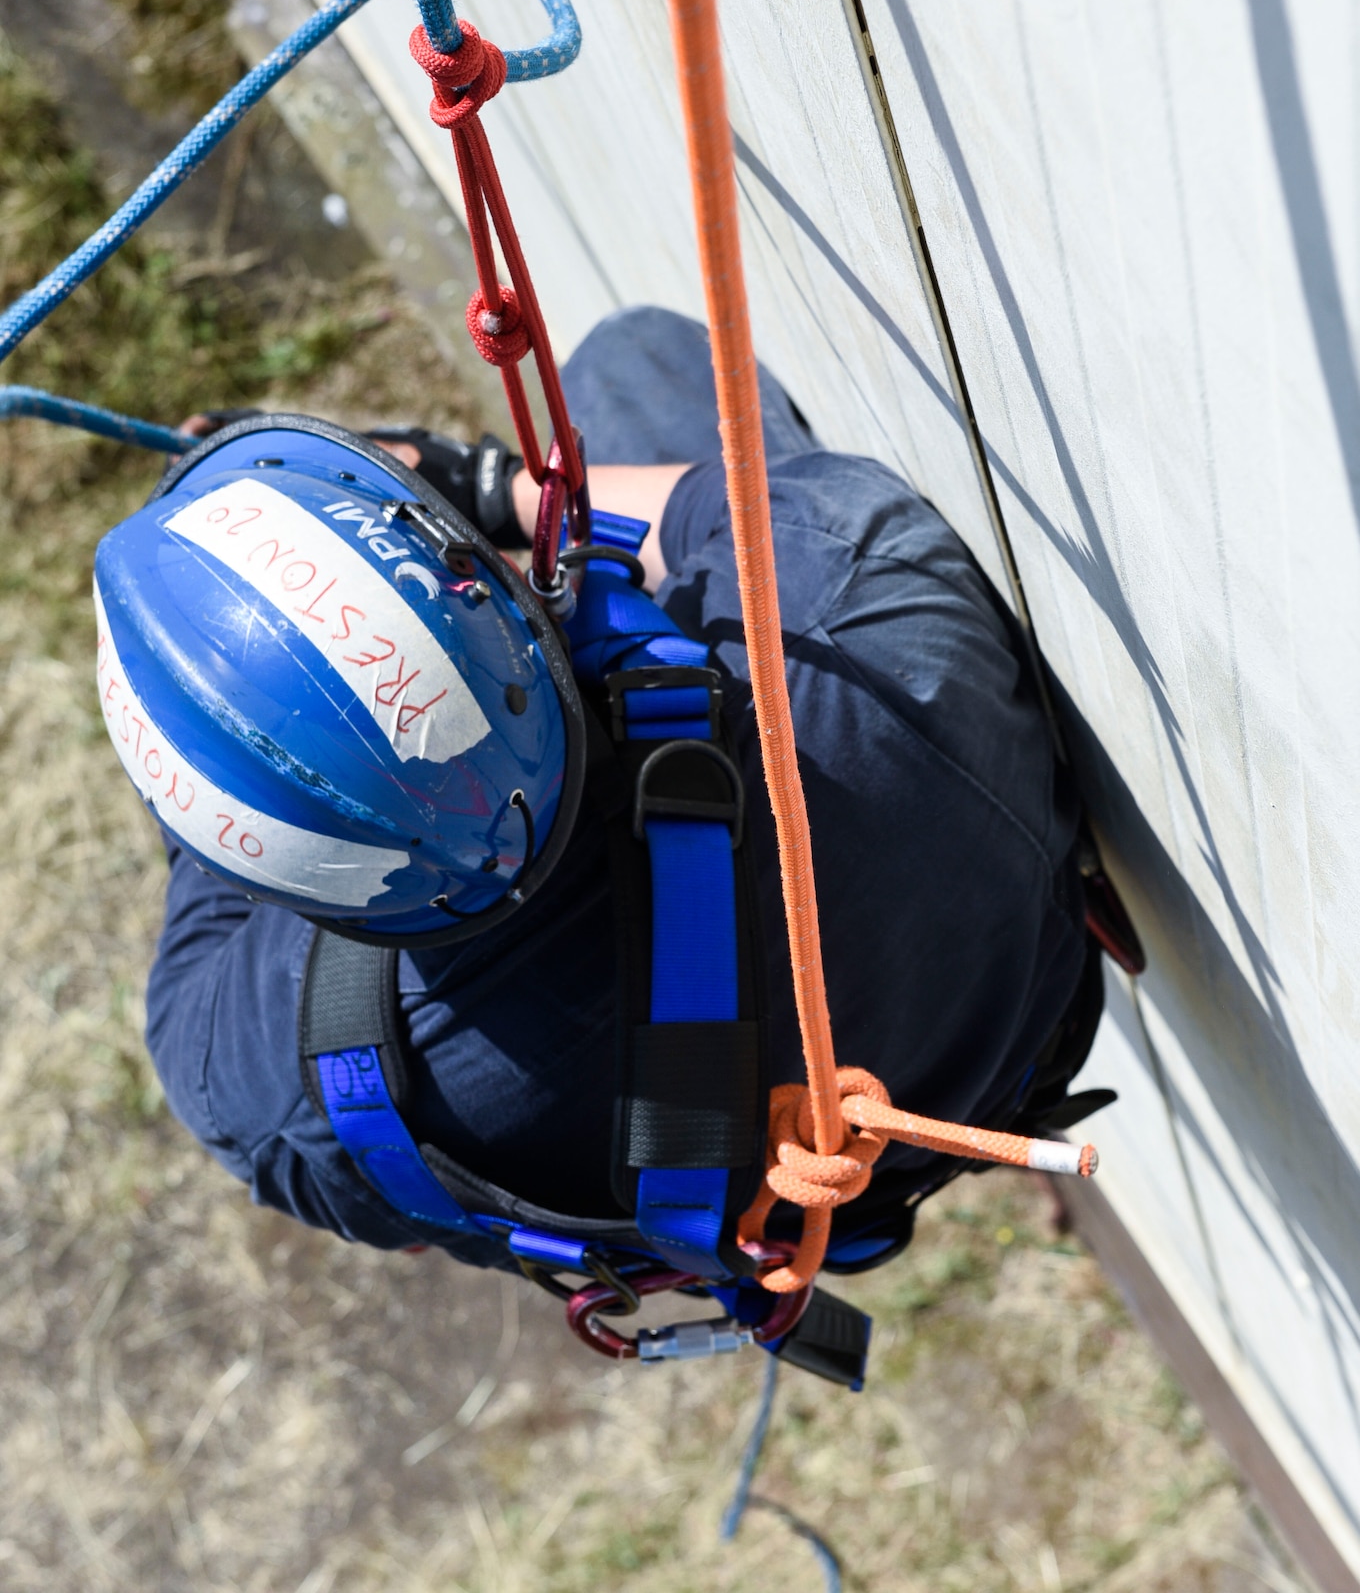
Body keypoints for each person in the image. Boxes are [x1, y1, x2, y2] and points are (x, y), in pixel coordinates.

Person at [103, 307, 1104, 1297]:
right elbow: (725, 509)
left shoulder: (265, 1080)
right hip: (1016, 978)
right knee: (631, 359)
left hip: (906, 1139)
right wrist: (483, 488)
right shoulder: (852, 610)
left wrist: (233, 726)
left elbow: (216, 869)